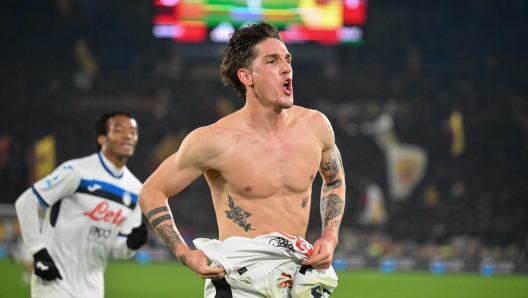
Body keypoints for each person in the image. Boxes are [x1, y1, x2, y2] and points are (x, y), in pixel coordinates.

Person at [139, 22, 346, 298]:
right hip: (239, 282)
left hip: (299, 276)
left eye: (287, 59)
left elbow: (334, 181)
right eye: (272, 61)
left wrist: (330, 235)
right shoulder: (214, 140)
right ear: (246, 77)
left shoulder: (316, 126)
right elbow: (151, 191)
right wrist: (184, 252)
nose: (286, 68)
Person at [15, 111, 148, 298]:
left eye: (133, 132)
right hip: (54, 282)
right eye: (119, 130)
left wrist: (131, 244)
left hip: (93, 288)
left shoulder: (137, 190)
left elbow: (120, 251)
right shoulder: (77, 172)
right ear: (102, 139)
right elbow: (26, 202)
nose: (128, 136)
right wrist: (38, 252)